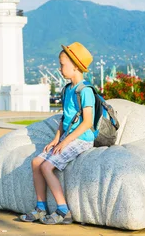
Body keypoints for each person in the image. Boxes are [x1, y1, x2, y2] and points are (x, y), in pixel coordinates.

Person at [19, 42, 96, 225]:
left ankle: (63, 210)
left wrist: (65, 141)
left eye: (62, 64)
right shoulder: (67, 90)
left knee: (46, 167)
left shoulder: (86, 91)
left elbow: (87, 122)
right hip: (66, 137)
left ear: (76, 66)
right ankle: (40, 207)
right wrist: (56, 139)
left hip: (82, 139)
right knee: (36, 162)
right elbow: (65, 118)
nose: (60, 68)